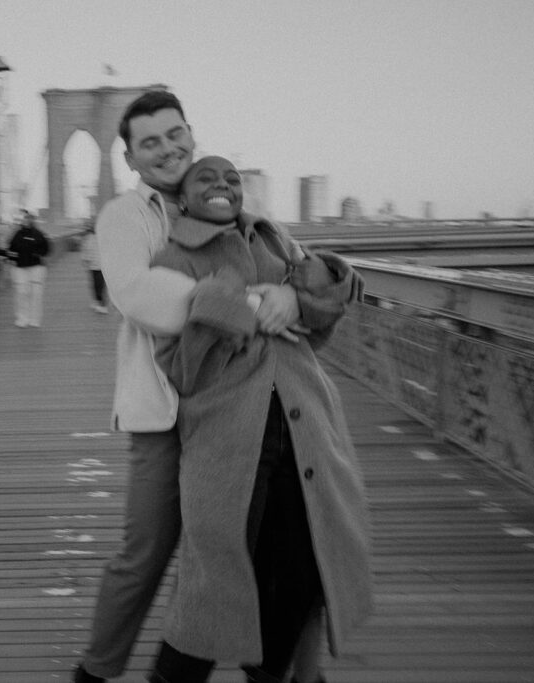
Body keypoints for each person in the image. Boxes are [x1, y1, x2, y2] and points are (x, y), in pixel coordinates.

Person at [74, 91, 306, 683]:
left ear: (191, 135)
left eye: (174, 134)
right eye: (149, 142)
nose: (166, 149)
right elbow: (138, 294)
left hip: (238, 411)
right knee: (146, 553)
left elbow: (292, 267)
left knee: (265, 547)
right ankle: (97, 673)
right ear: (130, 159)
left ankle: (275, 670)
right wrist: (251, 304)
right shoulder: (124, 217)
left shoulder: (229, 204)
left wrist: (294, 296)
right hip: (164, 413)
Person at [144, 155, 372, 683]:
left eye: (231, 179)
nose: (222, 185)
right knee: (215, 577)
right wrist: (235, 304)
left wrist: (294, 297)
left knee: (298, 566)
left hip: (308, 429)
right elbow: (180, 367)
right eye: (207, 178)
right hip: (228, 439)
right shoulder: (171, 261)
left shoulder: (273, 242)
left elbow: (338, 298)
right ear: (184, 197)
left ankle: (272, 674)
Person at [7, 210, 51, 327]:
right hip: (20, 268)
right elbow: (11, 249)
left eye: (29, 219)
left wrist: (38, 254)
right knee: (21, 293)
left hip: (36, 268)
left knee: (36, 294)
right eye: (24, 219)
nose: (26, 221)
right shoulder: (17, 234)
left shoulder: (39, 234)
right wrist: (12, 260)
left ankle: (35, 319)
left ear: (32, 220)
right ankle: (22, 318)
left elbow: (47, 249)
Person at [80, 220, 109, 313]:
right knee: (94, 285)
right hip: (92, 265)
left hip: (101, 265)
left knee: (100, 285)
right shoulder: (87, 238)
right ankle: (97, 301)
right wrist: (84, 260)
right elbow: (85, 250)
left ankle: (103, 305)